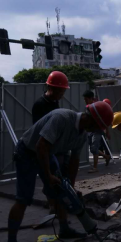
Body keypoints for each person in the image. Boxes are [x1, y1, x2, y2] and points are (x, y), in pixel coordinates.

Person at [5, 101, 114, 242]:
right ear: (90, 119)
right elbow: (40, 145)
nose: (97, 131)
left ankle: (64, 229)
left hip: (47, 153)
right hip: (27, 152)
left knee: (63, 190)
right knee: (24, 198)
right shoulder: (61, 118)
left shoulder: (82, 134)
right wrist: (48, 175)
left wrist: (71, 186)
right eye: (98, 127)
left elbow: (74, 160)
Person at [32, 71, 70, 214]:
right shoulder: (40, 105)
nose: (62, 94)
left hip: (56, 145)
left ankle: (58, 201)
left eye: (63, 91)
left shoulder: (55, 102)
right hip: (45, 145)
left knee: (60, 173)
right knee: (50, 174)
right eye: (60, 91)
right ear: (51, 88)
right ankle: (52, 205)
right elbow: (40, 130)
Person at [83, 91, 111, 172]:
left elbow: (104, 119)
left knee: (94, 148)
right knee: (92, 149)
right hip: (90, 130)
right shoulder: (88, 107)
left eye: (86, 99)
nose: (85, 101)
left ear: (91, 98)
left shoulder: (97, 107)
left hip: (98, 130)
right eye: (84, 99)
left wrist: (107, 131)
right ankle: (106, 156)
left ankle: (95, 168)